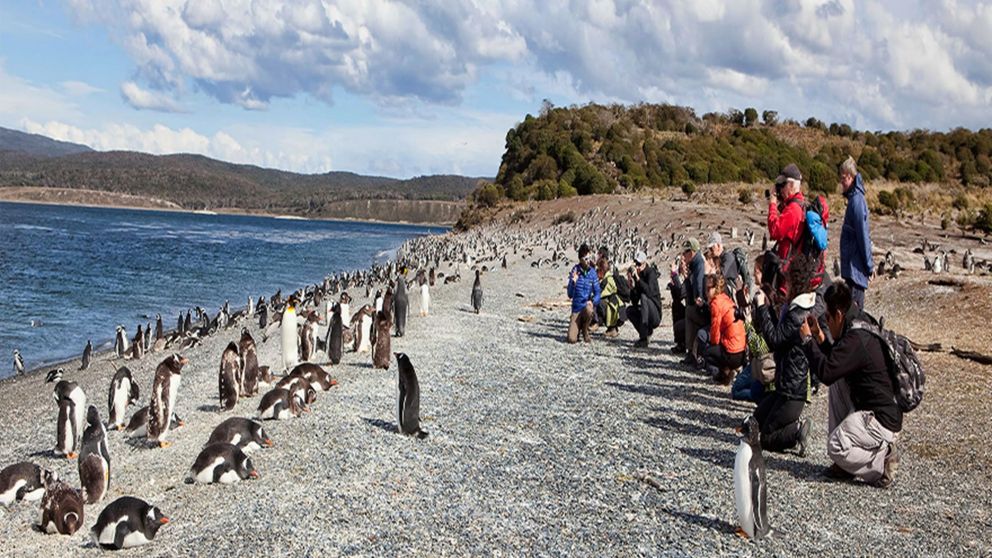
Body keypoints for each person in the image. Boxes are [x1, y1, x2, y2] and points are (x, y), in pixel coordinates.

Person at [801, 280, 901, 487]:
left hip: (881, 421)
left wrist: (807, 342)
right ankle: (845, 465)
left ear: (839, 314)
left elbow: (826, 373)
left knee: (835, 446)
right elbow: (836, 364)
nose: (826, 322)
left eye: (828, 317)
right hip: (873, 410)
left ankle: (883, 463)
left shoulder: (856, 338)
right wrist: (820, 338)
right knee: (838, 385)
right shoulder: (859, 322)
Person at [751, 252, 818, 455]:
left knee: (767, 439)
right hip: (783, 386)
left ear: (794, 283)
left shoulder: (798, 314)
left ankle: (797, 430)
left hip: (792, 391)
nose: (785, 285)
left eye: (787, 281)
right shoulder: (796, 307)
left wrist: (762, 308)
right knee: (756, 421)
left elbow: (775, 340)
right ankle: (791, 428)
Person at [838, 156, 874, 310]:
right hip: (853, 270)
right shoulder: (854, 199)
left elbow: (863, 236)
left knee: (855, 315)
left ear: (850, 176)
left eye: (843, 178)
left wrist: (869, 267)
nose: (841, 182)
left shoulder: (857, 201)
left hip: (856, 270)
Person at [703, 274, 746, 384]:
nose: (706, 291)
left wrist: (712, 344)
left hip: (732, 352)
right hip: (741, 350)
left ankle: (722, 375)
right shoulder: (725, 298)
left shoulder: (716, 304)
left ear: (716, 288)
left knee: (708, 352)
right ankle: (729, 371)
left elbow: (715, 330)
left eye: (709, 288)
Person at [626, 250, 662, 348]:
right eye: (636, 264)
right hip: (645, 311)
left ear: (644, 263)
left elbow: (649, 292)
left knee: (644, 297)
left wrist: (638, 279)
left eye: (639, 264)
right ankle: (646, 332)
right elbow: (634, 302)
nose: (637, 266)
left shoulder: (651, 273)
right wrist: (632, 287)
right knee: (629, 310)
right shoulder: (637, 275)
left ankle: (643, 339)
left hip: (655, 314)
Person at [681, 238, 708, 366]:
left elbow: (697, 288)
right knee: (689, 311)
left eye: (685, 252)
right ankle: (692, 352)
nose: (683, 255)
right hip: (701, 305)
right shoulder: (695, 264)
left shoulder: (699, 265)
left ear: (692, 252)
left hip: (703, 307)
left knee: (690, 312)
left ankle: (693, 352)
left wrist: (699, 302)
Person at [566, 244, 601, 344]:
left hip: (586, 306)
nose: (588, 260)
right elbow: (569, 294)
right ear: (580, 259)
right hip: (576, 309)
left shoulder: (592, 273)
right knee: (571, 339)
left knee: (589, 310)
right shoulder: (575, 271)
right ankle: (577, 327)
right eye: (586, 258)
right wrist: (573, 282)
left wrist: (593, 301)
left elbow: (598, 292)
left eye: (589, 258)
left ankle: (585, 330)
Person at [596, 247, 622, 338]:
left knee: (597, 301)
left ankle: (612, 328)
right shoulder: (607, 277)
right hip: (615, 306)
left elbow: (601, 294)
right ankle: (609, 327)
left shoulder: (608, 280)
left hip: (615, 309)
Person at [707, 232, 740, 296]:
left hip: (733, 293)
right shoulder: (720, 258)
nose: (710, 251)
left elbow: (721, 275)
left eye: (711, 248)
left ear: (718, 245)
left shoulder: (728, 257)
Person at [668, 257, 688, 354]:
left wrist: (674, 275)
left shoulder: (690, 275)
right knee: (676, 305)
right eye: (681, 262)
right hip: (681, 305)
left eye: (684, 262)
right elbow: (677, 296)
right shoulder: (680, 276)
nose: (682, 264)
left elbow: (682, 292)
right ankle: (680, 343)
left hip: (691, 306)